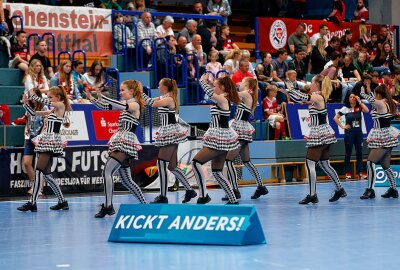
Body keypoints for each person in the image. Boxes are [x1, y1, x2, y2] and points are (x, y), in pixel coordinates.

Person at [86, 80, 148, 218]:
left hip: (125, 141)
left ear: (131, 91)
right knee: (127, 181)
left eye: (122, 90)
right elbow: (106, 108)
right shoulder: (128, 105)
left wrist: (102, 95)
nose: (120, 92)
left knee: (106, 172)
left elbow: (118, 104)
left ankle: (108, 206)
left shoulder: (134, 104)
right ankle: (145, 205)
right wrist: (93, 99)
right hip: (122, 140)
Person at [288, 75, 346, 204]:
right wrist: (290, 91)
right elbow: (299, 98)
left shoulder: (318, 97)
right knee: (325, 164)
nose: (310, 84)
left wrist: (290, 89)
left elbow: (300, 97)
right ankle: (340, 189)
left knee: (310, 164)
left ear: (317, 84)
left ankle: (312, 194)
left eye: (312, 82)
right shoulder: (318, 96)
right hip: (324, 133)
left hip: (319, 133)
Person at [142, 78, 197, 203]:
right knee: (172, 166)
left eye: (160, 85)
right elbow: (148, 102)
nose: (158, 86)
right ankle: (189, 190)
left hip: (170, 132)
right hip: (169, 131)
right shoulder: (163, 97)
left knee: (161, 163)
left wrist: (141, 92)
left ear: (165, 87)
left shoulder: (169, 99)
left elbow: (151, 102)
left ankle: (163, 196)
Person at [17, 86, 71, 212]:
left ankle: (32, 202)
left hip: (51, 141)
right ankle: (62, 201)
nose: (49, 99)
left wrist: (33, 96)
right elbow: (33, 113)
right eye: (48, 97)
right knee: (46, 174)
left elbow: (45, 102)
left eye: (51, 97)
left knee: (39, 171)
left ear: (58, 97)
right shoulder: (53, 110)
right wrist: (26, 103)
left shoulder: (61, 106)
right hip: (46, 140)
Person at [193, 74, 240, 204]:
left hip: (219, 137)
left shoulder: (223, 99)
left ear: (222, 87)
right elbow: (211, 94)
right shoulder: (223, 99)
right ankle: (232, 199)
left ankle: (203, 195)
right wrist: (208, 82)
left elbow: (209, 93)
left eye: (215, 86)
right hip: (221, 137)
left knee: (196, 162)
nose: (213, 88)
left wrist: (202, 81)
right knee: (217, 172)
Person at [224, 77, 269, 201]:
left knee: (228, 160)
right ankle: (261, 186)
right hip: (242, 128)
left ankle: (234, 189)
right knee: (247, 161)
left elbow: (232, 95)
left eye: (243, 82)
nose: (240, 83)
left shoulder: (245, 93)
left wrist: (225, 85)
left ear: (248, 86)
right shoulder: (248, 95)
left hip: (240, 128)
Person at [360, 84, 399, 199]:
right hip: (385, 135)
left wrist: (362, 93)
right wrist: (369, 90)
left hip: (382, 136)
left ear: (379, 94)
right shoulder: (387, 102)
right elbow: (373, 100)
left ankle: (370, 189)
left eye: (376, 93)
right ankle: (393, 189)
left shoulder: (381, 103)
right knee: (385, 165)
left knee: (370, 162)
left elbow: (372, 100)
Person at [334, 93, 369, 180]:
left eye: (354, 97)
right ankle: (348, 172)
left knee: (359, 153)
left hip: (358, 134)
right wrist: (342, 126)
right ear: (348, 99)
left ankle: (360, 172)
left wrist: (360, 101)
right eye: (351, 97)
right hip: (349, 134)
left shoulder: (359, 107)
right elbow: (335, 118)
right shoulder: (345, 108)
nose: (352, 98)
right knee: (348, 153)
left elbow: (367, 110)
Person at [23, 89, 49, 196]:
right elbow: (27, 122)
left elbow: (45, 124)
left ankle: (39, 188)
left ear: (38, 96)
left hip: (39, 139)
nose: (31, 98)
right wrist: (26, 131)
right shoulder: (29, 108)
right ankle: (35, 185)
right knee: (27, 163)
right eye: (30, 96)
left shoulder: (44, 108)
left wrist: (40, 137)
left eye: (33, 95)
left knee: (38, 166)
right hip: (29, 138)